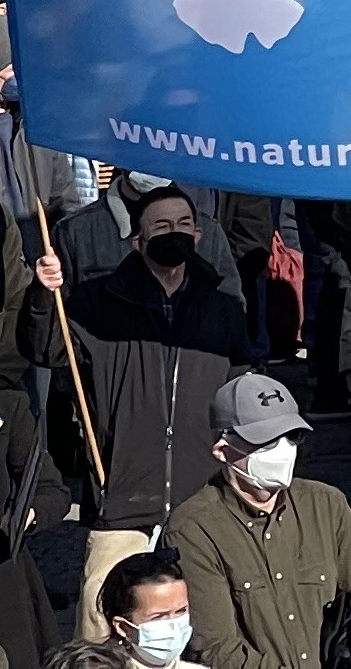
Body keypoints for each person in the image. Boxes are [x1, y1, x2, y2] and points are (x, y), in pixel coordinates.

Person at [31, 182, 259, 643]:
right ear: (138, 240)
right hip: (123, 494)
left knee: (205, 627)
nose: (172, 234)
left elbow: (240, 387)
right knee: (102, 624)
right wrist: (43, 295)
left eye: (182, 225)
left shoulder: (222, 308)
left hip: (203, 496)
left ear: (197, 234)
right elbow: (48, 348)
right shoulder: (98, 302)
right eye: (160, 226)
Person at [155, 373, 351, 669]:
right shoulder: (193, 529)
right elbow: (216, 650)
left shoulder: (326, 504)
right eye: (265, 441)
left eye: (291, 436)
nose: (283, 449)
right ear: (222, 449)